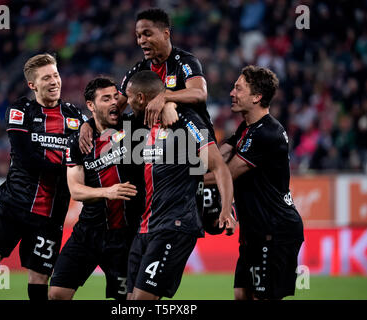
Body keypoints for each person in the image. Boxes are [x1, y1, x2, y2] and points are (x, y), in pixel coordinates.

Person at [0, 53, 85, 301]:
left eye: (56, 75)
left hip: (50, 214)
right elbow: (26, 158)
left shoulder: (76, 118)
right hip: (14, 205)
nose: (54, 82)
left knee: (39, 279)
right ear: (32, 85)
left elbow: (89, 153)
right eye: (46, 78)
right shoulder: (21, 111)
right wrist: (70, 169)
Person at [124, 70, 235, 300]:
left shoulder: (187, 121)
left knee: (142, 301)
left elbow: (219, 167)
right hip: (145, 228)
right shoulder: (138, 125)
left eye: (129, 96)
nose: (126, 101)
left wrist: (226, 209)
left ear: (142, 98)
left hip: (174, 225)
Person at [204, 65, 304, 300]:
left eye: (238, 88)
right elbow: (218, 157)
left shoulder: (266, 133)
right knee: (241, 294)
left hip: (276, 230)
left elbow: (225, 173)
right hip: (255, 230)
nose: (231, 92)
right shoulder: (247, 128)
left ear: (257, 97)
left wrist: (178, 178)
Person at [48, 78, 145, 300]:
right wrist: (107, 192)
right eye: (106, 98)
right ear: (91, 105)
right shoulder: (78, 142)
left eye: (115, 97)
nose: (114, 102)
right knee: (56, 294)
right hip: (89, 232)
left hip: (126, 235)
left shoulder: (133, 128)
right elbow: (76, 190)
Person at [79, 7, 214, 153]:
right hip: (160, 149)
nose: (141, 41)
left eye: (147, 34)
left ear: (165, 34)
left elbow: (199, 93)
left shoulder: (184, 61)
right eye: (138, 36)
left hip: (196, 143)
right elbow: (115, 107)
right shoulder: (139, 70)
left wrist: (164, 98)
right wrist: (88, 124)